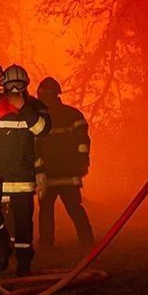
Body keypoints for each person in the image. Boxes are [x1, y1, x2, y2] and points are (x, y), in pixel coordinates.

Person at [0, 64, 50, 276]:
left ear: (26, 86)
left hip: (22, 171)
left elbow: (42, 131)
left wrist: (23, 108)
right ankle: (3, 246)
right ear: (2, 85)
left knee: (23, 219)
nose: (15, 89)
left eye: (19, 85)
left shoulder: (35, 108)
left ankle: (23, 261)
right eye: (10, 85)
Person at [35, 77, 94, 249]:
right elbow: (83, 141)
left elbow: (33, 146)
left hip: (47, 174)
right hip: (67, 172)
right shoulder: (73, 115)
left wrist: (37, 170)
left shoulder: (37, 119)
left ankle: (47, 243)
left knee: (47, 210)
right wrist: (82, 162)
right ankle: (86, 239)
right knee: (73, 207)